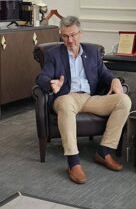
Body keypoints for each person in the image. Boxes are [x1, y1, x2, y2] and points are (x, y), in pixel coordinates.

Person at [36, 16, 131, 184]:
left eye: (73, 35)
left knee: (124, 101)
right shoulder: (54, 54)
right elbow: (42, 77)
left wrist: (114, 79)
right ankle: (73, 162)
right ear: (61, 35)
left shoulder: (92, 52)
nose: (70, 40)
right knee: (66, 104)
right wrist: (52, 84)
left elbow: (104, 73)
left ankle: (104, 151)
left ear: (80, 33)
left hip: (89, 98)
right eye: (65, 36)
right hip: (66, 97)